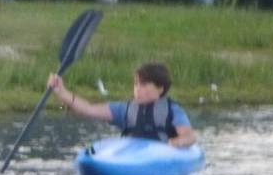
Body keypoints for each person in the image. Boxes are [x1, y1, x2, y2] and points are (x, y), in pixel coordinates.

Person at [47, 62, 197, 148]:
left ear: (160, 88)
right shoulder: (123, 109)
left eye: (144, 85)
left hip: (160, 154)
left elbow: (189, 136)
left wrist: (175, 143)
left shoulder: (173, 110)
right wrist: (61, 92)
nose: (138, 89)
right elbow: (88, 109)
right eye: (136, 84)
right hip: (131, 154)